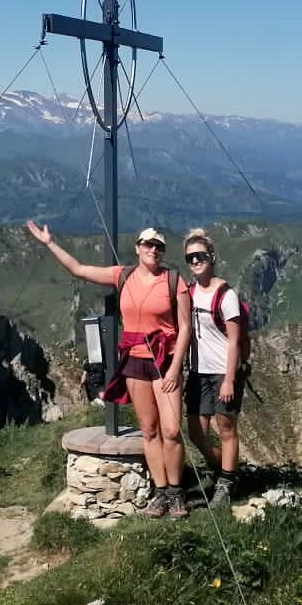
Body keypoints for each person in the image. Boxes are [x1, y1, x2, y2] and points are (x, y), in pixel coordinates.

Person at [26, 220, 193, 518]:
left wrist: (174, 369)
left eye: (159, 246)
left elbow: (185, 329)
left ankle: (176, 492)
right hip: (135, 362)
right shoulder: (122, 276)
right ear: (138, 248)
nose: (153, 250)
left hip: (164, 361)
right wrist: (49, 243)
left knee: (171, 430)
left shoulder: (173, 281)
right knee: (149, 430)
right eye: (148, 244)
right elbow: (78, 269)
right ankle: (161, 493)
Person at [181, 228, 244, 510]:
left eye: (200, 255)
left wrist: (229, 379)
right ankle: (221, 468)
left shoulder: (226, 295)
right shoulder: (188, 292)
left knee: (226, 427)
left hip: (222, 371)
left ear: (212, 257)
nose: (195, 261)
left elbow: (234, 341)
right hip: (197, 372)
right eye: (190, 257)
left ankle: (225, 484)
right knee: (196, 431)